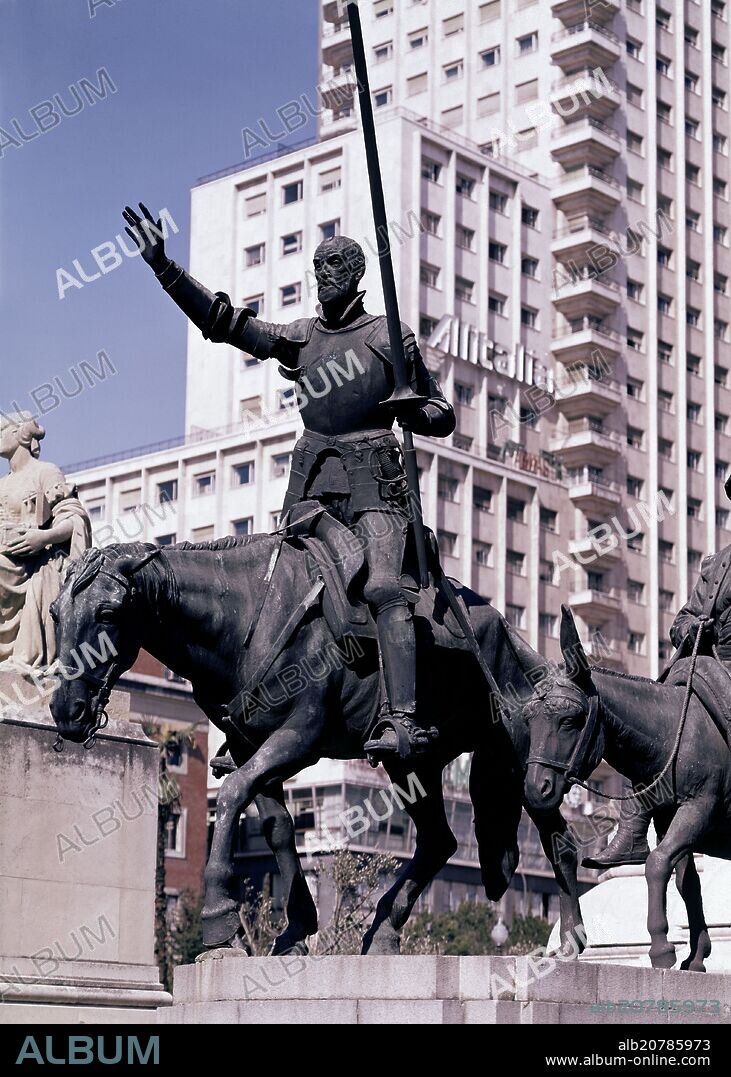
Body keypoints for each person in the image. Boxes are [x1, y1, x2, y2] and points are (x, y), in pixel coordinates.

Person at [122, 203, 456, 760]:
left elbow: (441, 415)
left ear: (355, 277)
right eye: (317, 271)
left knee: (381, 589)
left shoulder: (388, 336)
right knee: (270, 586)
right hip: (312, 487)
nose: (323, 279)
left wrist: (412, 406)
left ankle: (403, 719)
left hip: (375, 485)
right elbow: (228, 326)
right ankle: (250, 717)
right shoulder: (302, 337)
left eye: (333, 270)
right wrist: (165, 268)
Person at [584, 475, 731, 869]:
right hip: (707, 663)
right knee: (660, 722)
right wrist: (691, 627)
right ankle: (633, 830)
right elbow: (683, 616)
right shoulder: (717, 565)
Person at [0, 413, 91, 669]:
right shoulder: (2, 484)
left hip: (36, 564)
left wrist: (43, 537)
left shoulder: (46, 472)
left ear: (20, 434)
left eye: (1, 431)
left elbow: (73, 518)